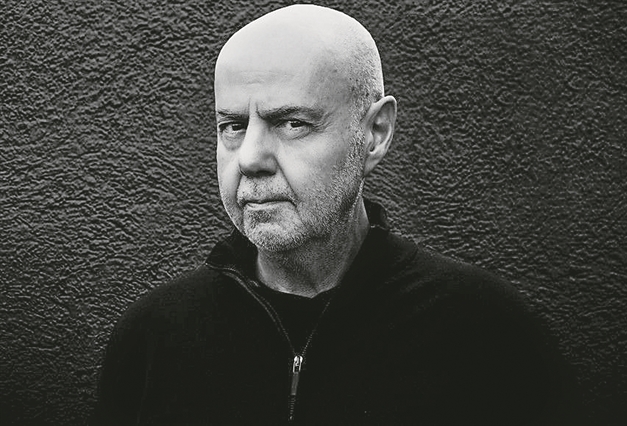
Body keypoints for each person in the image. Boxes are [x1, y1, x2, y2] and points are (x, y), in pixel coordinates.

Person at [92, 4, 575, 425]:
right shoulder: (153, 338)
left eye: (293, 123)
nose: (250, 158)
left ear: (376, 132)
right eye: (232, 126)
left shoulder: (485, 335)